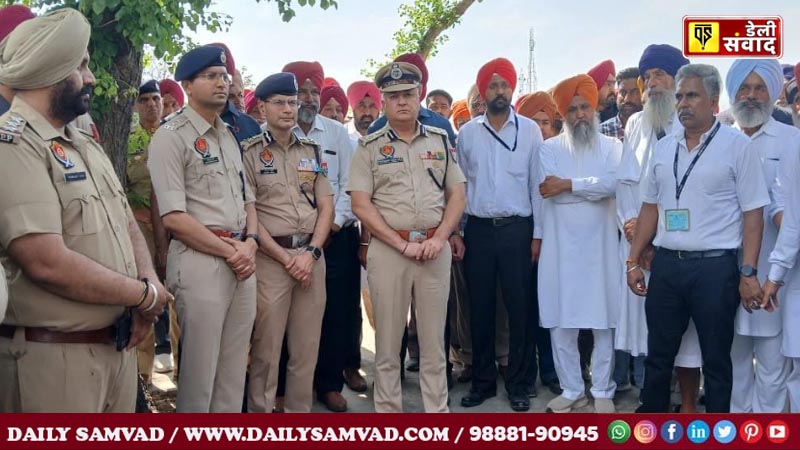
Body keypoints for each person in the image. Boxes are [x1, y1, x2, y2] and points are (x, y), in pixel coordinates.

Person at [0, 8, 168, 412]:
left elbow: (124, 219)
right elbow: (45, 261)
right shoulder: (13, 146)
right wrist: (144, 295)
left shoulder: (82, 141)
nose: (91, 78)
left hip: (116, 350)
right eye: (81, 66)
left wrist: (146, 286)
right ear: (51, 69)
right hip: (54, 362)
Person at [627, 64, 769, 413]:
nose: (683, 104)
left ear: (713, 101)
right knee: (658, 358)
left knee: (717, 362)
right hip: (667, 268)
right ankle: (653, 428)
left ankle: (717, 433)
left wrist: (748, 272)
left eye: (692, 96)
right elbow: (649, 209)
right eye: (679, 97)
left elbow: (754, 214)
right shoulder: (664, 149)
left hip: (715, 270)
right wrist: (632, 260)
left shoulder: (737, 146)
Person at [348, 61, 466, 412]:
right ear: (383, 101)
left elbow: (457, 193)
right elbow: (360, 203)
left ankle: (437, 414)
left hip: (434, 249)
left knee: (433, 344)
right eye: (393, 96)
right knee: (387, 344)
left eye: (408, 95)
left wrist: (440, 238)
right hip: (390, 251)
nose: (402, 101)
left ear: (420, 97)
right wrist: (399, 243)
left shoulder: (440, 140)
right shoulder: (369, 147)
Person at [148, 45, 258, 412]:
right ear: (188, 85)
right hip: (201, 260)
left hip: (241, 258)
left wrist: (251, 244)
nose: (221, 83)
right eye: (210, 76)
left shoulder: (228, 134)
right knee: (199, 375)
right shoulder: (170, 136)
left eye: (224, 77)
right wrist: (232, 252)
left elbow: (247, 201)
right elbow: (173, 217)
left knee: (232, 372)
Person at [615, 44, 703, 411]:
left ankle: (685, 403)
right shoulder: (635, 123)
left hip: (674, 246)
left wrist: (654, 239)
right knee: (648, 331)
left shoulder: (690, 126)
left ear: (678, 79)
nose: (652, 84)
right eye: (647, 77)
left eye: (660, 75)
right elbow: (624, 183)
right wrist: (632, 230)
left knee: (682, 335)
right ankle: (652, 402)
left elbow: (689, 191)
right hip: (637, 244)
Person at [243, 72, 334, 413]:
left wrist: (311, 253)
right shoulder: (249, 152)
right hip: (271, 261)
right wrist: (286, 258)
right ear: (262, 108)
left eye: (292, 103)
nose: (288, 109)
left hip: (311, 257)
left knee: (306, 350)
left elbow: (326, 205)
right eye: (279, 103)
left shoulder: (312, 149)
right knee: (266, 351)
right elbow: (250, 213)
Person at [457, 58, 541, 412]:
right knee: (481, 309)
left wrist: (538, 235)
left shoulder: (531, 131)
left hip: (518, 231)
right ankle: (483, 383)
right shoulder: (468, 134)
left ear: (512, 89)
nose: (499, 91)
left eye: (504, 85)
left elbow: (538, 185)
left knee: (520, 308)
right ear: (482, 92)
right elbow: (459, 187)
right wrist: (457, 232)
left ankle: (520, 384)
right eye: (492, 86)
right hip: (478, 231)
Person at [537, 74, 622, 413]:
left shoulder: (613, 147)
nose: (579, 115)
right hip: (560, 249)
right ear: (563, 115)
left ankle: (603, 389)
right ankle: (572, 388)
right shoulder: (548, 149)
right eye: (571, 110)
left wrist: (570, 185)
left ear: (595, 108)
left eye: (584, 107)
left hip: (601, 249)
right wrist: (590, 189)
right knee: (562, 322)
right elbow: (549, 191)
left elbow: (613, 185)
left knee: (603, 322)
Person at [281, 61, 360, 412]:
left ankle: (329, 384)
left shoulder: (336, 133)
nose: (309, 98)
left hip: (336, 237)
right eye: (302, 92)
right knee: (286, 313)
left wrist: (333, 226)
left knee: (335, 313)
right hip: (291, 238)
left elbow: (349, 185)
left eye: (315, 91)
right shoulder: (279, 133)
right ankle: (284, 387)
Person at [726, 59, 794, 413]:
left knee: (771, 365)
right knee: (733, 360)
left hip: (773, 273)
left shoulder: (792, 142)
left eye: (759, 88)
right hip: (723, 272)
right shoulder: (717, 136)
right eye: (744, 88)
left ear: (772, 93)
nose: (751, 96)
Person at [128, 79, 174, 381]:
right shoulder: (128, 138)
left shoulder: (173, 135)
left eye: (156, 98)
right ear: (135, 105)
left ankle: (184, 373)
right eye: (144, 99)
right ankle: (142, 378)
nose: (152, 104)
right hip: (139, 223)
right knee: (143, 296)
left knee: (177, 298)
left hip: (173, 226)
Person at [368, 53, 456, 147]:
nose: (402, 101)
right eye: (395, 94)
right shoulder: (376, 128)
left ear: (420, 90)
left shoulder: (441, 125)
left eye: (408, 93)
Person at [600, 67, 642, 141]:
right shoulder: (601, 132)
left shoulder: (653, 128)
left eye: (634, 92)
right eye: (623, 92)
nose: (627, 99)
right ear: (616, 94)